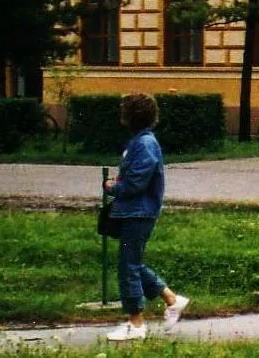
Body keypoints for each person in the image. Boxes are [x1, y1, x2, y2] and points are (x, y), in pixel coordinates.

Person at [102, 92, 188, 341]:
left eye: (124, 111)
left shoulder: (145, 144)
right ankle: (171, 299)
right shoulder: (140, 142)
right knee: (133, 262)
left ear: (131, 116)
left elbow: (136, 182)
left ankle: (136, 323)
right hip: (135, 212)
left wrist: (113, 188)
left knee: (128, 265)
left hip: (138, 213)